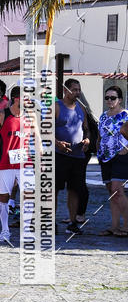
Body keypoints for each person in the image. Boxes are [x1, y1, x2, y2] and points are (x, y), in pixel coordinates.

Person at [0, 85, 33, 244]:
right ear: (17, 99)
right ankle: (5, 230)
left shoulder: (30, 116)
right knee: (4, 197)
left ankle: (27, 230)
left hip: (25, 163)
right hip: (5, 162)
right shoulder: (1, 115)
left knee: (29, 196)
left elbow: (39, 136)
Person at [55, 79, 91, 235]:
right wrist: (57, 143)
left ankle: (72, 222)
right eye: (74, 90)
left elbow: (87, 129)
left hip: (77, 156)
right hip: (59, 156)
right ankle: (50, 222)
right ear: (65, 90)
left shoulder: (81, 108)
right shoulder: (56, 107)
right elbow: (44, 131)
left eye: (79, 90)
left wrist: (87, 140)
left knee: (74, 190)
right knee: (54, 190)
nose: (77, 92)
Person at [97, 85, 128, 236]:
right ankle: (114, 226)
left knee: (118, 189)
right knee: (111, 192)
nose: (109, 100)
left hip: (121, 156)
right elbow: (100, 135)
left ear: (120, 99)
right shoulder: (103, 116)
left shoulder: (126, 115)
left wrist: (126, 149)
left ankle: (127, 225)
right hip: (105, 156)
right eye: (107, 97)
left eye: (113, 98)